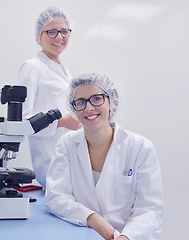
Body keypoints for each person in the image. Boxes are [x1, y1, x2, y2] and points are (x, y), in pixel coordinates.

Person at [45, 73, 164, 240]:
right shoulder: (67, 144)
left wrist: (125, 237)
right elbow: (56, 196)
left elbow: (150, 209)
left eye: (96, 99)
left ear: (112, 102)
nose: (88, 108)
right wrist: (92, 218)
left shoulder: (141, 147)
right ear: (73, 109)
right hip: (87, 233)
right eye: (80, 102)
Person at [16, 6, 81, 187]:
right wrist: (61, 122)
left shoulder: (64, 71)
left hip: (69, 153)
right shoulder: (32, 67)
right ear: (39, 36)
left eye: (64, 31)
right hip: (48, 159)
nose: (59, 37)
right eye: (51, 32)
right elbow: (20, 121)